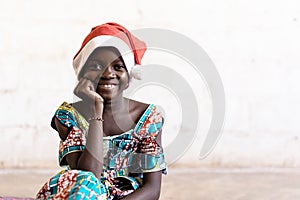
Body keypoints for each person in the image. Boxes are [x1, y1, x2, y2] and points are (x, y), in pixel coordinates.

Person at [36, 22, 167, 200]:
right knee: (77, 181)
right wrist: (96, 113)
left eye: (118, 67)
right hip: (80, 195)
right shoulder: (68, 116)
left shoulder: (148, 118)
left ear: (129, 76)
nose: (107, 73)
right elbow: (87, 178)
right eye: (96, 66)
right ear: (82, 74)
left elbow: (152, 189)